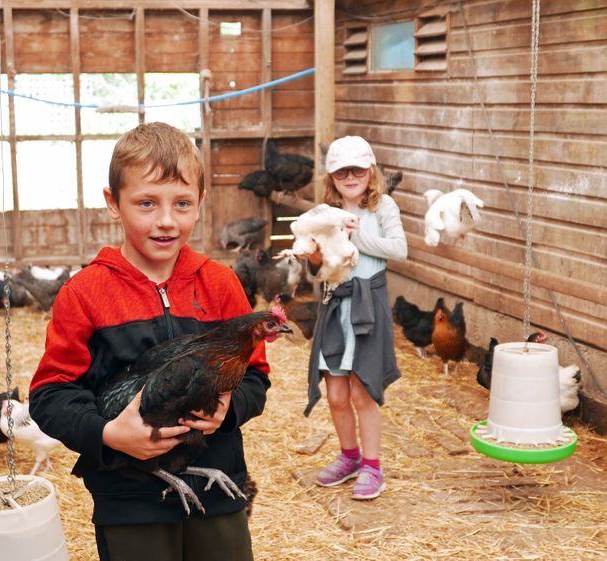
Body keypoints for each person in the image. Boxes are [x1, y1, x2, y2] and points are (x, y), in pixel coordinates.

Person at [29, 122, 269, 561]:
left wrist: (229, 409)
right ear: (113, 204)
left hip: (216, 482)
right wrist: (108, 434)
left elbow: (256, 377)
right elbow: (50, 395)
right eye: (146, 203)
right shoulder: (84, 294)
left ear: (200, 203)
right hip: (130, 498)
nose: (165, 220)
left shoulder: (221, 284)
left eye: (181, 203)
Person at [303, 135, 407, 500]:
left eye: (357, 169)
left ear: (370, 171)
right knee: (335, 393)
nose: (350, 176)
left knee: (362, 392)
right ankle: (349, 457)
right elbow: (318, 268)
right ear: (332, 177)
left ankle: (372, 466)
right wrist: (314, 253)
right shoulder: (324, 213)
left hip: (368, 305)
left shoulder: (383, 208)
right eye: (342, 170)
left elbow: (399, 248)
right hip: (336, 305)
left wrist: (356, 240)